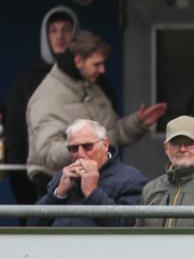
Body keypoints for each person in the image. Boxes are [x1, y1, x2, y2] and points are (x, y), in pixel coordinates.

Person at [25, 30, 166, 197]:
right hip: (58, 188)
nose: (103, 70)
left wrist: (138, 123)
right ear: (78, 61)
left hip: (94, 181)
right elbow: (48, 153)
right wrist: (84, 147)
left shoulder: (92, 88)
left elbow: (111, 133)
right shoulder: (47, 98)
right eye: (97, 64)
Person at [6, 7, 117, 208]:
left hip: (93, 177)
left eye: (66, 29)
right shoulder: (28, 82)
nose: (59, 36)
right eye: (53, 30)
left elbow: (110, 130)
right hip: (42, 181)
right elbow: (17, 138)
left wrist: (138, 123)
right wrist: (21, 185)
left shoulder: (96, 83)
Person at [32, 119, 147, 227]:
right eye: (74, 148)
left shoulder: (130, 179)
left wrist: (93, 192)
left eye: (87, 146)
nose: (80, 154)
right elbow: (33, 224)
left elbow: (128, 225)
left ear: (105, 145)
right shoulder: (61, 177)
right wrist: (58, 194)